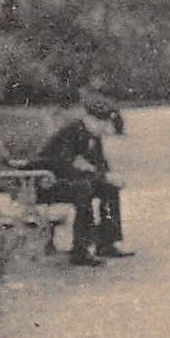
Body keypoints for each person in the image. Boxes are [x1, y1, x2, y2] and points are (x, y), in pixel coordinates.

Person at [36, 97, 134, 266]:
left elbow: (99, 165)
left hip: (64, 182)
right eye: (102, 124)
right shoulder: (69, 133)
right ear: (90, 119)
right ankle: (80, 250)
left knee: (109, 188)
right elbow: (64, 167)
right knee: (84, 189)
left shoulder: (92, 136)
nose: (104, 129)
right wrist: (101, 177)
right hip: (45, 183)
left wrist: (109, 177)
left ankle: (107, 243)